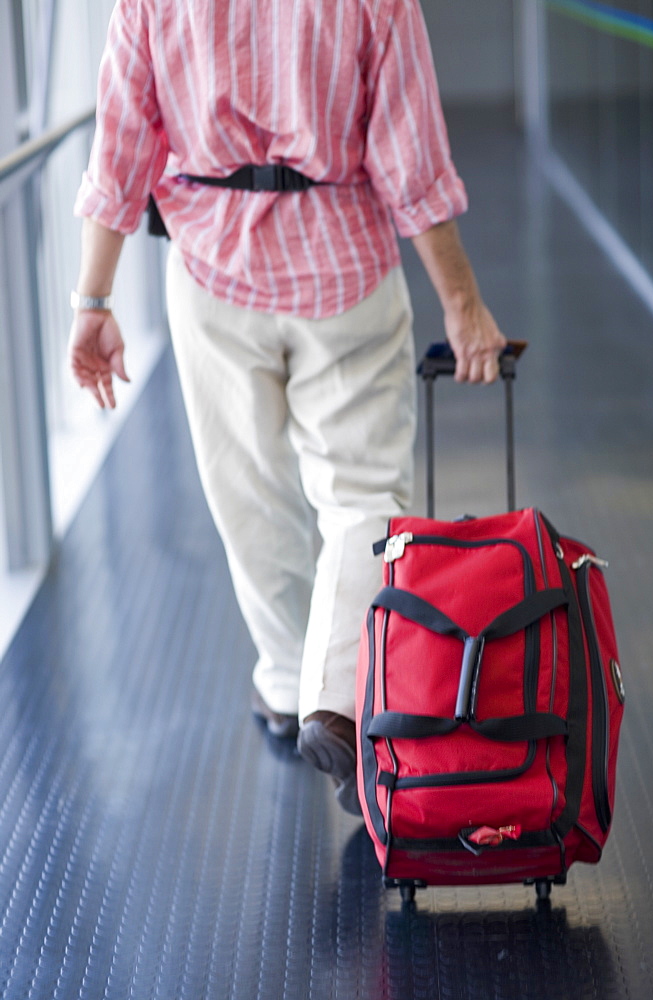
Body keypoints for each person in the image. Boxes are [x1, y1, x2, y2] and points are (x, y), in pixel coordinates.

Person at [69, 0, 506, 814]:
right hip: (346, 265)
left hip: (211, 269)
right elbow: (412, 162)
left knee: (249, 490)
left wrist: (92, 297)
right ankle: (336, 696)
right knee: (363, 495)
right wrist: (463, 303)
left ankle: (282, 684)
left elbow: (122, 144)